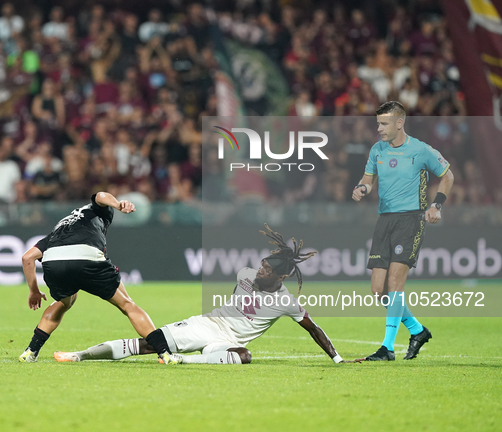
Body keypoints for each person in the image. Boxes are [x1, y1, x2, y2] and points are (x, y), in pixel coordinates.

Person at [54, 225, 351, 365]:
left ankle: (183, 361)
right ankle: (80, 355)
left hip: (228, 342)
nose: (259, 272)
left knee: (245, 356)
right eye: (261, 266)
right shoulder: (245, 275)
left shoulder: (287, 303)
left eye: (266, 271)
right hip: (209, 325)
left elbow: (314, 329)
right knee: (148, 344)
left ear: (281, 277)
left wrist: (337, 359)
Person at [19, 192, 179, 364]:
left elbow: (27, 258)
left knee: (64, 302)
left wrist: (34, 291)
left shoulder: (60, 228)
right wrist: (117, 205)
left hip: (54, 261)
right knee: (127, 304)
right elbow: (101, 195)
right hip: (87, 256)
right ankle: (164, 353)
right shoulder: (96, 211)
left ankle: (30, 351)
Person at [352, 101, 454, 361]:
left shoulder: (420, 150)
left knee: (396, 283)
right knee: (378, 290)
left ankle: (387, 348)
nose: (379, 129)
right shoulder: (377, 150)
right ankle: (417, 330)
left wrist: (436, 205)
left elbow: (448, 176)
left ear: (400, 123)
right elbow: (368, 179)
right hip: (384, 221)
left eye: (384, 124)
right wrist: (362, 188)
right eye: (377, 123)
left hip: (411, 220)